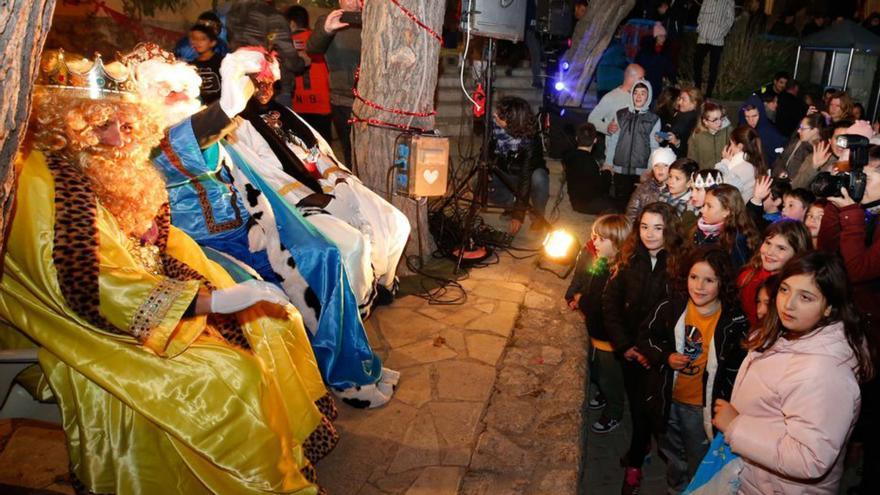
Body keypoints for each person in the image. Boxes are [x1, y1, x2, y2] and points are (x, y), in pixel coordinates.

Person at [8, 50, 337, 494]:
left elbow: (162, 239)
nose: (119, 138)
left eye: (126, 124)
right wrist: (212, 301)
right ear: (68, 130)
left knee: (276, 325)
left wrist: (210, 283)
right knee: (230, 376)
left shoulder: (112, 167)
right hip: (86, 329)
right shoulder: (47, 183)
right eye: (101, 125)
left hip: (152, 287)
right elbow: (84, 284)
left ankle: (288, 450)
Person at [139, 48, 399, 408]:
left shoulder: (205, 127)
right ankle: (334, 379)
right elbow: (189, 139)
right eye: (169, 92)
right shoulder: (153, 141)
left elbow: (249, 181)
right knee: (308, 269)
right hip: (208, 247)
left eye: (184, 89)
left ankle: (351, 367)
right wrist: (231, 91)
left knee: (327, 255)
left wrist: (265, 221)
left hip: (252, 229)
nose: (181, 97)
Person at [229, 58, 411, 306]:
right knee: (354, 244)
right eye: (258, 84)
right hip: (294, 201)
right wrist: (308, 195)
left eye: (270, 84)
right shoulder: (238, 126)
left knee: (396, 222)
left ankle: (381, 283)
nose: (265, 90)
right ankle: (356, 306)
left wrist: (337, 180)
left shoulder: (285, 113)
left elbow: (319, 152)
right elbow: (262, 173)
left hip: (327, 184)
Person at [714, 252, 875, 494]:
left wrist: (736, 426)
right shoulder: (783, 333)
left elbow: (810, 458)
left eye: (806, 297)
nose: (788, 304)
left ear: (829, 307)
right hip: (757, 478)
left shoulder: (824, 371)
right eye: (785, 290)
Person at [640, 246, 749, 493]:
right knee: (671, 451)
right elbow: (645, 337)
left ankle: (698, 489)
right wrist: (666, 357)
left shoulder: (733, 321)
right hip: (667, 399)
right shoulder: (672, 306)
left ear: (723, 283)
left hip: (701, 408)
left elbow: (738, 369)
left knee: (699, 455)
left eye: (709, 280)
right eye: (693, 277)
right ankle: (676, 488)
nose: (699, 286)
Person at [603, 202, 684, 495]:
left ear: (669, 230)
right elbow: (610, 305)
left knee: (647, 410)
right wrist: (624, 345)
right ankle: (641, 446)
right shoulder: (629, 259)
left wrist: (657, 353)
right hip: (631, 352)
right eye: (645, 227)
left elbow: (678, 316)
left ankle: (635, 462)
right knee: (638, 407)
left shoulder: (679, 264)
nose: (650, 234)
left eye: (658, 228)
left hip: (659, 356)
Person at [818, 147, 880, 494]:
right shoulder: (864, 213)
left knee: (872, 421)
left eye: (869, 178)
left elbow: (856, 271)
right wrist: (832, 203)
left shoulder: (864, 216)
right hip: (852, 332)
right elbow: (828, 252)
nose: (860, 181)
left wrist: (853, 212)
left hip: (873, 339)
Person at [566, 214, 632, 434]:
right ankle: (604, 393)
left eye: (601, 239)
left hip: (608, 338)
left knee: (610, 376)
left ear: (617, 243)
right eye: (595, 236)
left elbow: (599, 302)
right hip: (597, 332)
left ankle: (614, 412)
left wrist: (581, 300)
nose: (594, 242)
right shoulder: (602, 261)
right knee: (599, 370)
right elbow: (592, 287)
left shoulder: (617, 274)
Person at [307, 0, 362, 166]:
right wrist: (326, 30)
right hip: (343, 98)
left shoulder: (374, 19)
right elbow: (312, 48)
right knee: (350, 150)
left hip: (375, 98)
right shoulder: (330, 19)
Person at [487, 96, 549, 234]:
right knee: (479, 185)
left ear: (511, 121)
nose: (495, 115)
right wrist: (486, 171)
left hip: (527, 173)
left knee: (539, 178)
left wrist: (518, 215)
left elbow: (525, 177)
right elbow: (487, 150)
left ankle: (537, 216)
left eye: (500, 115)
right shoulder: (495, 127)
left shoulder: (531, 140)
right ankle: (511, 205)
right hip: (504, 169)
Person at [225, 0, 304, 108]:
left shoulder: (233, 12)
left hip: (238, 81)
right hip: (270, 86)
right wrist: (302, 62)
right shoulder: (273, 16)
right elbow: (288, 56)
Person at [737, 220, 812, 326]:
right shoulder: (748, 278)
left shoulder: (804, 285)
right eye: (768, 243)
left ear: (797, 254)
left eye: (781, 248)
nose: (770, 252)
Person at [604, 79, 662, 205]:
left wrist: (650, 168)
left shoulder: (654, 119)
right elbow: (613, 140)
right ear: (632, 94)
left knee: (636, 205)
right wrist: (608, 163)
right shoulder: (620, 114)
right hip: (620, 168)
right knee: (620, 203)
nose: (639, 96)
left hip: (641, 171)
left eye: (643, 93)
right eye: (636, 92)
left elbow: (654, 146)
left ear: (649, 95)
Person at [286, 5, 333, 143]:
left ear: (292, 23)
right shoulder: (318, 39)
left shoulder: (286, 43)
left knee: (304, 146)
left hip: (299, 104)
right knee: (325, 147)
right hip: (322, 103)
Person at [692, 183, 760, 269]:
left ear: (727, 211)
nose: (703, 210)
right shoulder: (697, 228)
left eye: (709, 206)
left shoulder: (736, 240)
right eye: (704, 205)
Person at [562, 122, 614, 214]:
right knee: (620, 205)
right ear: (595, 140)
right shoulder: (590, 162)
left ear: (577, 138)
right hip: (587, 204)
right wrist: (607, 173)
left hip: (575, 200)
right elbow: (602, 188)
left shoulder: (569, 157)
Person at [790, 120, 852, 189]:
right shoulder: (814, 158)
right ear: (830, 141)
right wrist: (814, 167)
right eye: (838, 138)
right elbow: (795, 187)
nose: (841, 144)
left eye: (846, 139)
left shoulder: (859, 163)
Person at [588, 63, 646, 136]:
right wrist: (607, 127)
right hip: (615, 146)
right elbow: (592, 119)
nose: (644, 81)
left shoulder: (639, 97)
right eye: (641, 78)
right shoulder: (611, 98)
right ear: (631, 77)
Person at [693, 0, 735, 98]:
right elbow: (701, 13)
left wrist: (722, 32)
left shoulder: (729, 1)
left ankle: (708, 94)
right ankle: (697, 89)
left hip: (717, 39)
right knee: (696, 62)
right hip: (703, 36)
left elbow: (730, 18)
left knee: (713, 68)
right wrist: (700, 28)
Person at [715, 125, 766, 202]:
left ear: (740, 146)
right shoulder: (750, 160)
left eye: (731, 143)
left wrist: (724, 162)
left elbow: (721, 189)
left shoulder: (744, 167)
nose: (729, 147)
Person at [625, 147, 676, 222]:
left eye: (665, 165)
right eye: (656, 165)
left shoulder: (676, 190)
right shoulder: (643, 189)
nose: (660, 169)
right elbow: (631, 214)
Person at [771, 113, 825, 180]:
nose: (798, 130)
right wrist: (781, 173)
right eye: (800, 127)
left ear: (815, 130)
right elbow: (780, 158)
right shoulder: (797, 141)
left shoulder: (819, 153)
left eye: (802, 128)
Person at [634, 22, 676, 101]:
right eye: (661, 36)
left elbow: (669, 67)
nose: (663, 38)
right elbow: (639, 64)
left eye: (664, 36)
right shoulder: (645, 50)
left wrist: (672, 78)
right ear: (655, 37)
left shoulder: (665, 50)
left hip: (657, 85)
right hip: (645, 83)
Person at [742, 98, 786, 166]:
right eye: (747, 117)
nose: (751, 120)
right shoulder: (745, 129)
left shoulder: (770, 132)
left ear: (761, 114)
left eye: (754, 116)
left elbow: (776, 159)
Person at [188, 24, 225, 105]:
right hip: (200, 110)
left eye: (202, 39)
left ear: (212, 42)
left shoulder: (223, 62)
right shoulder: (190, 67)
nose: (197, 42)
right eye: (194, 38)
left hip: (223, 109)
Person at [688, 100, 730, 169]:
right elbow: (692, 161)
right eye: (715, 120)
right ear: (705, 122)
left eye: (720, 118)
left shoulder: (729, 131)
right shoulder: (696, 137)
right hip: (706, 175)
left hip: (726, 173)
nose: (719, 122)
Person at [662, 86, 702, 158]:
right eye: (679, 98)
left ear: (694, 103)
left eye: (683, 100)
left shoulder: (697, 122)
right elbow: (669, 132)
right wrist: (662, 138)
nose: (679, 102)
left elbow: (691, 149)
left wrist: (677, 142)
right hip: (669, 154)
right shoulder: (678, 114)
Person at [593, 28, 629, 101]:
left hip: (602, 80)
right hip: (613, 83)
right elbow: (619, 61)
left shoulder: (604, 44)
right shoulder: (618, 46)